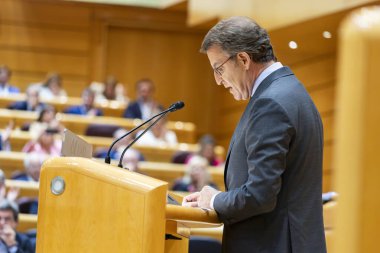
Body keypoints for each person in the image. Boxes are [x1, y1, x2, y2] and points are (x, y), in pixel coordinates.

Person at [182, 17, 326, 253]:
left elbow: (260, 195)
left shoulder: (270, 103)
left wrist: (215, 199)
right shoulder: (294, 92)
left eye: (219, 69)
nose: (218, 81)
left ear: (243, 59)